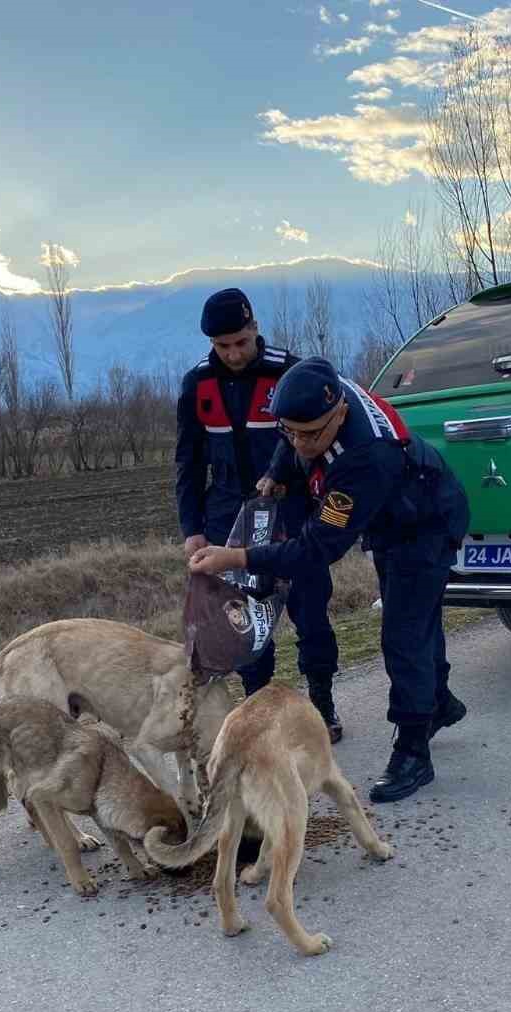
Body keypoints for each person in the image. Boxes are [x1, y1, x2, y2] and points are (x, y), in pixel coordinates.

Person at [189, 357, 470, 803]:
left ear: (338, 413)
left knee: (403, 634)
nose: (300, 443)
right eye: (290, 431)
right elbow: (295, 435)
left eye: (311, 433)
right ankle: (438, 702)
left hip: (424, 526)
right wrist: (277, 472)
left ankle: (414, 752)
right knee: (417, 618)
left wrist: (238, 555)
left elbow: (315, 549)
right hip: (395, 518)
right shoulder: (319, 391)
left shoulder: (365, 458)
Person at [174, 287, 343, 741]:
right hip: (227, 518)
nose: (232, 353)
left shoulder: (291, 371)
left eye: (240, 342)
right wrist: (192, 530)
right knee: (242, 621)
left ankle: (322, 704)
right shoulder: (197, 384)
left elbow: (324, 446)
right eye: (221, 346)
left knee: (310, 614)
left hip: (292, 514)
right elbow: (188, 462)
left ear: (255, 329)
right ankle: (258, 713)